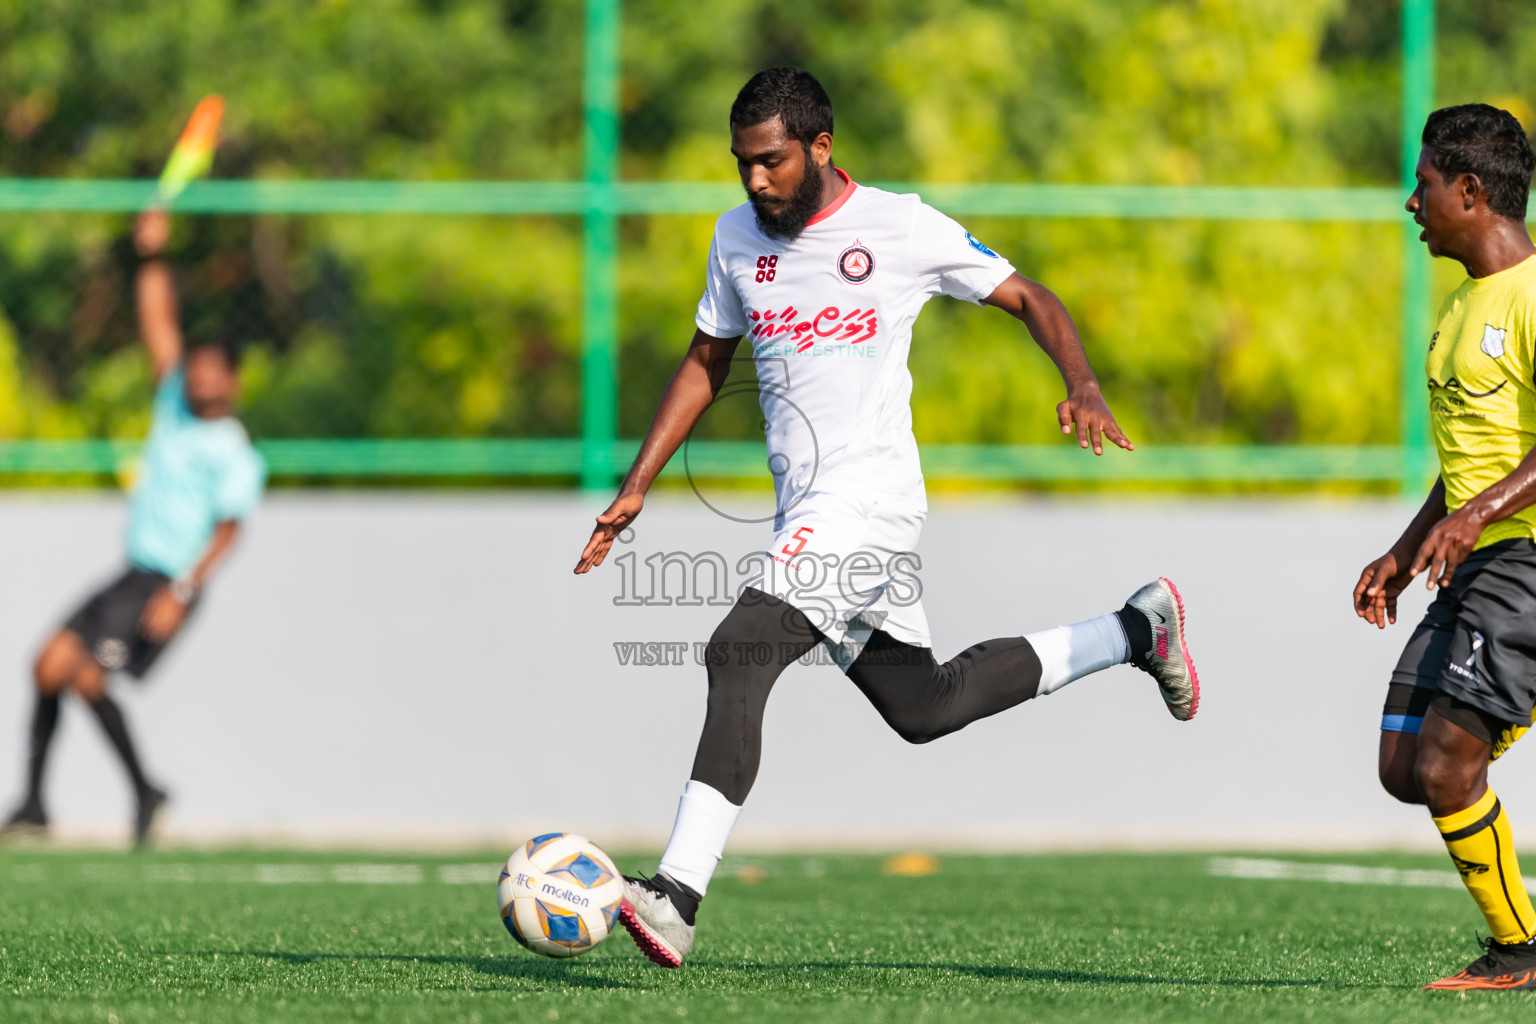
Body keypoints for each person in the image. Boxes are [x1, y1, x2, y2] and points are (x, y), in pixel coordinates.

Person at [573, 67, 1200, 968]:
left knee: (739, 649)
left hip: (867, 504)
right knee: (925, 706)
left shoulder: (901, 225)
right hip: (810, 512)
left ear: (820, 148)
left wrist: (1083, 382)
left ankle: (674, 894)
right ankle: (1136, 630)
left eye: (773, 162)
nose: (755, 181)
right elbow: (707, 359)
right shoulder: (733, 237)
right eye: (742, 164)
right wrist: (639, 483)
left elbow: (1029, 296)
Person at [1, 209, 266, 847]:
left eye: (211, 369)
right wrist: (151, 256)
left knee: (85, 676)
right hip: (130, 573)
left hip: (165, 585)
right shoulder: (174, 409)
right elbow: (158, 326)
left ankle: (142, 792)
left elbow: (229, 530)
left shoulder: (233, 449)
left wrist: (182, 592)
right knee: (46, 666)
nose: (198, 375)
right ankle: (40, 803)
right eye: (194, 366)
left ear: (232, 379)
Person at [1355, 104, 1536, 991]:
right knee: (1404, 765)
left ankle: (1521, 952)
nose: (1410, 201)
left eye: (1423, 184)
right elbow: (1465, 462)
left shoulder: (1534, 297)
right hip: (1474, 562)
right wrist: (1408, 543)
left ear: (1469, 190)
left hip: (1527, 563)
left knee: (1446, 763)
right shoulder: (1466, 305)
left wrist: (1481, 515)